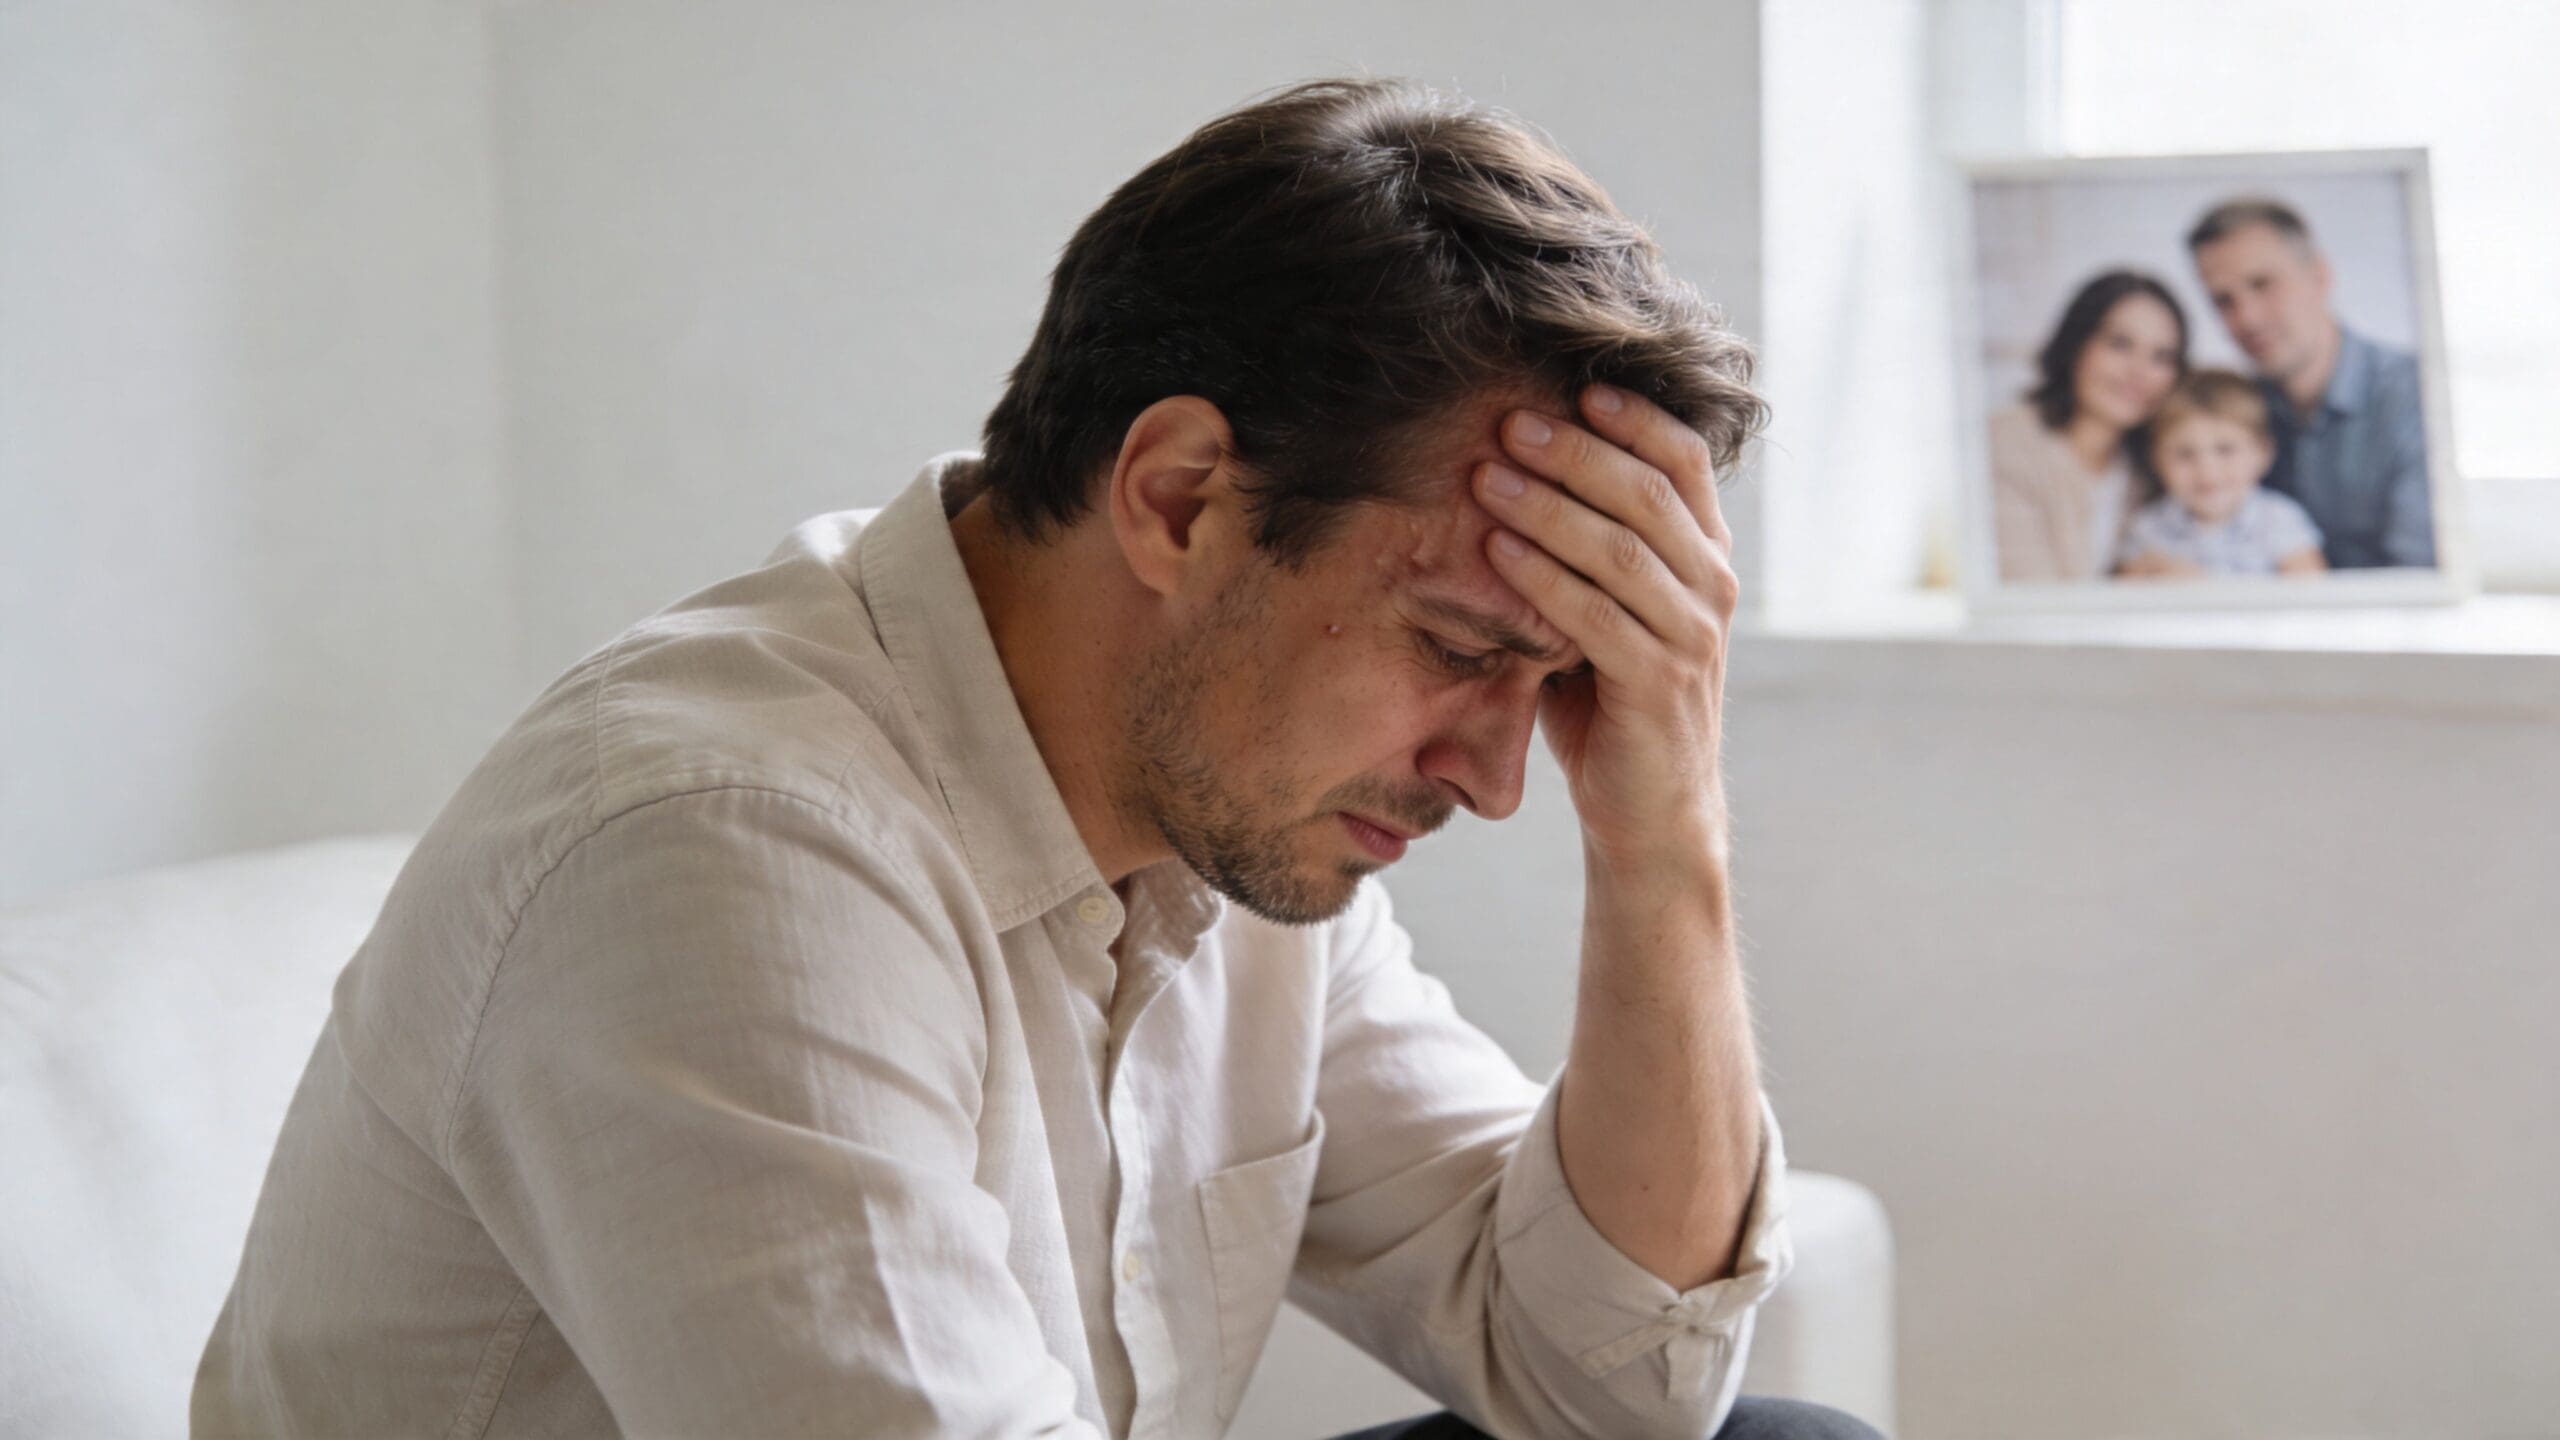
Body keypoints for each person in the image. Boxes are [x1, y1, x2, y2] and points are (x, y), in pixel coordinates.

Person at [193, 79, 1881, 1440]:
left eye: (1557, 682)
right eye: (1457, 650)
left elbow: (1616, 1386)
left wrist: (1663, 825)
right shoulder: (725, 849)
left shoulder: (1232, 815)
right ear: (1178, 499)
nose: (1499, 778)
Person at [2186, 196, 2434, 569]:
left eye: (2262, 284)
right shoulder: (2236, 413)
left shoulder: (2417, 394)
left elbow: (2420, 579)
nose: (2247, 318)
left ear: (2319, 277)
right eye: (2223, 301)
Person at [1988, 269, 2188, 583]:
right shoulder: (2006, 444)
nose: (2139, 371)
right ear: (2077, 343)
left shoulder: (2155, 468)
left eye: (2161, 357)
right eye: (2120, 344)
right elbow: (2031, 602)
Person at [2114, 369, 2327, 579]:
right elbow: (2123, 599)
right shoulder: (2147, 529)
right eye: (2185, 454)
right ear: (2157, 460)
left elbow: (2311, 598)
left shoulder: (2280, 521)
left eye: (2225, 450)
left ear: (2263, 453)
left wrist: (2205, 586)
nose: (2207, 470)